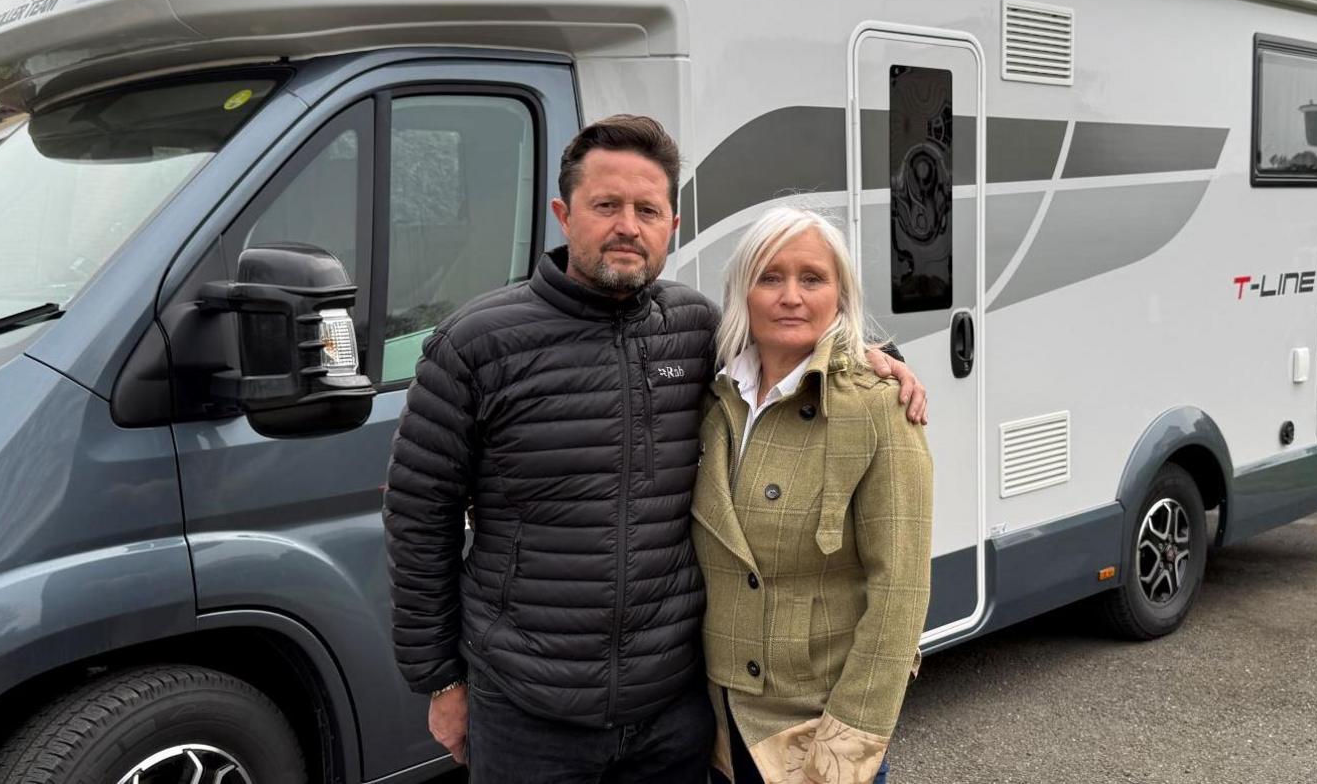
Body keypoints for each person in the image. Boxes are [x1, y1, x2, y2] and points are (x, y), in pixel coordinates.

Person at [382, 115, 927, 783]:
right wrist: (440, 679)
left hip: (674, 712)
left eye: (647, 209)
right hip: (530, 712)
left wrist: (877, 358)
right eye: (605, 205)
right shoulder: (477, 343)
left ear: (671, 224)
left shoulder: (693, 330)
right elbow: (418, 517)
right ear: (564, 213)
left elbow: (794, 341)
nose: (626, 226)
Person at [693, 207, 933, 784]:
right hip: (719, 723)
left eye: (812, 279)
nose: (790, 296)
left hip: (813, 731)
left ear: (840, 296)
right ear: (742, 294)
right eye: (770, 277)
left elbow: (899, 596)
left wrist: (841, 757)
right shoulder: (712, 398)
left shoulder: (878, 408)